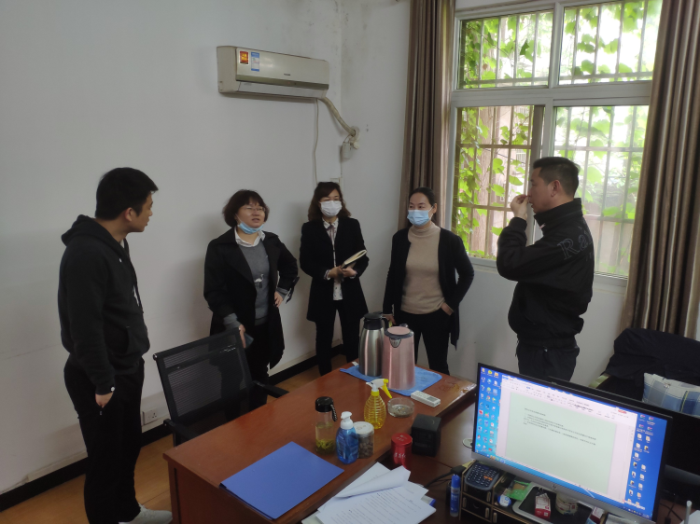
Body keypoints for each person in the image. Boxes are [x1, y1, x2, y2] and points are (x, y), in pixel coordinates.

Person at [59, 168, 172, 524]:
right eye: (148, 206)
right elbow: (84, 327)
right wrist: (103, 383)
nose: (151, 213)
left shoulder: (115, 244)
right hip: (100, 378)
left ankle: (128, 513)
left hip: (125, 366)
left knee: (127, 447)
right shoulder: (87, 252)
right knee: (105, 462)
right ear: (129, 212)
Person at [497, 157, 594, 381]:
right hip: (545, 347)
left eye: (534, 184)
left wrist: (518, 220)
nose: (529, 193)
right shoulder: (568, 227)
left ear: (554, 187)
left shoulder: (567, 235)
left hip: (547, 352)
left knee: (537, 404)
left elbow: (510, 263)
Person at [204, 190, 298, 408]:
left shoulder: (271, 241)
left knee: (260, 376)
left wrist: (282, 290)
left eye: (260, 208)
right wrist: (233, 323)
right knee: (231, 378)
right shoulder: (220, 247)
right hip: (235, 326)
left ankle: (259, 419)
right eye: (249, 207)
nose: (257, 212)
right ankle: (233, 424)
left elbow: (290, 266)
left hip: (265, 325)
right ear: (235, 214)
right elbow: (213, 291)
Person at [383, 187, 474, 375]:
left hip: (436, 314)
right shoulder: (399, 238)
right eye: (411, 206)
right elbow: (393, 273)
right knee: (404, 367)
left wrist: (449, 306)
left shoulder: (449, 240)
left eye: (421, 206)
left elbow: (467, 274)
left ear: (434, 209)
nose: (415, 211)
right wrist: (387, 307)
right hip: (405, 315)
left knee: (438, 367)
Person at [300, 182, 369, 375]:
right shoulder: (309, 228)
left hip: (350, 291)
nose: (332, 203)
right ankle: (324, 378)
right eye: (327, 199)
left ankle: (355, 376)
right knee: (323, 338)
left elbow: (363, 257)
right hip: (323, 291)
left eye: (336, 198)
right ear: (318, 203)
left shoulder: (352, 225)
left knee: (352, 337)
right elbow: (305, 262)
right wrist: (327, 273)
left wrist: (355, 272)